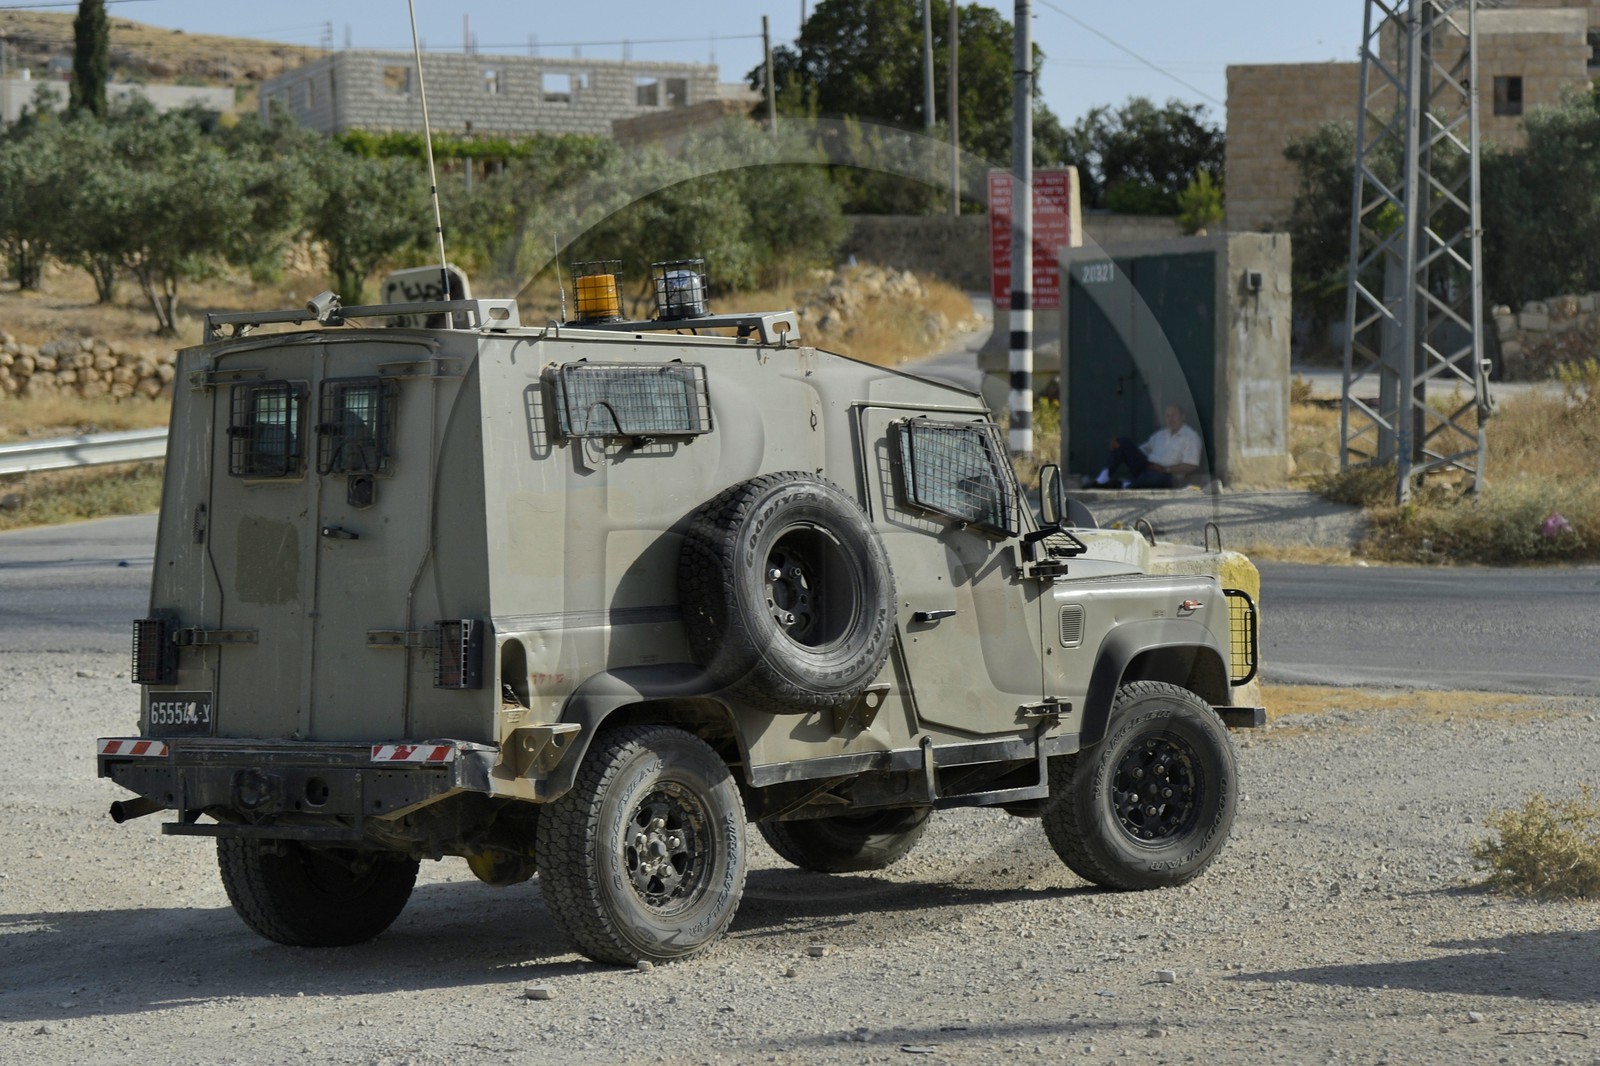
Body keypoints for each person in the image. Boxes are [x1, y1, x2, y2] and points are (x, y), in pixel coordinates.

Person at [1087, 404, 1203, 489]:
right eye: (1167, 416)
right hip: (1148, 467)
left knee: (1154, 478)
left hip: (1168, 475)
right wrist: (1119, 448)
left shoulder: (1191, 437)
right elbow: (1140, 451)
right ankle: (1101, 480)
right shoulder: (1161, 434)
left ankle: (1125, 485)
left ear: (1182, 417)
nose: (1170, 419)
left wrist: (1166, 469)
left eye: (1174, 415)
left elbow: (1191, 465)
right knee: (1122, 442)